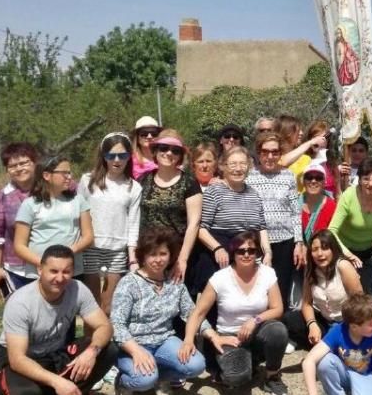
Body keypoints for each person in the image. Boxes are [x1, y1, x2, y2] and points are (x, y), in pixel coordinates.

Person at [0, 245, 116, 395]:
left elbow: (104, 326)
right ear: (40, 270)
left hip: (53, 353)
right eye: (53, 271)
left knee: (108, 349)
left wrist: (91, 352)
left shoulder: (78, 289)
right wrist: (57, 381)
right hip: (17, 358)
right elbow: (17, 359)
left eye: (66, 272)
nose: (60, 278)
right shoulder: (21, 302)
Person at [109, 228, 207, 395]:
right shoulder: (129, 283)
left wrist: (211, 335)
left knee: (197, 365)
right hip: (133, 344)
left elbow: (192, 313)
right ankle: (123, 383)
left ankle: (161, 377)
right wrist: (136, 351)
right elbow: (117, 324)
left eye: (163, 253)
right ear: (143, 256)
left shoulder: (174, 282)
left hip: (164, 341)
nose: (158, 259)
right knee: (143, 379)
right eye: (152, 254)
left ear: (170, 256)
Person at [184, 231, 290, 395]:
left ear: (257, 253)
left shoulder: (267, 274)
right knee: (236, 379)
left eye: (251, 250)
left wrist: (255, 320)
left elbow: (278, 309)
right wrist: (188, 340)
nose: (246, 254)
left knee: (278, 331)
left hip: (258, 331)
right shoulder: (220, 278)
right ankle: (244, 364)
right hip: (230, 336)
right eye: (241, 251)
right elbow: (198, 313)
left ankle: (272, 376)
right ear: (233, 253)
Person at [79, 132, 141, 327]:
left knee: (108, 306)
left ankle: (108, 350)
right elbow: (79, 214)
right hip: (91, 249)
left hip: (117, 252)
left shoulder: (134, 187)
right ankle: (91, 350)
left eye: (122, 156)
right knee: (91, 307)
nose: (116, 160)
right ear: (103, 156)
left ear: (129, 157)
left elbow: (133, 224)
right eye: (111, 155)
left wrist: (132, 258)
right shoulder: (87, 181)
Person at [194, 146, 268, 299]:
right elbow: (202, 229)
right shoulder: (213, 191)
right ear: (223, 167)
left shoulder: (254, 194)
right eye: (233, 164)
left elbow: (261, 227)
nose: (238, 169)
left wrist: (268, 252)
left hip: (246, 257)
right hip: (219, 258)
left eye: (242, 164)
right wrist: (218, 248)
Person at [247, 132, 305, 312]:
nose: (270, 156)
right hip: (256, 244)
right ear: (258, 153)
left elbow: (296, 211)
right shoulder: (249, 177)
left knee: (281, 290)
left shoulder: (288, 176)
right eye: (265, 152)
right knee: (257, 291)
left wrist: (298, 242)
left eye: (275, 152)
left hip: (284, 243)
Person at [13, 155, 94, 279]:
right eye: (64, 173)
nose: (69, 177)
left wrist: (68, 253)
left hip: (71, 273)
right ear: (46, 176)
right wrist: (43, 264)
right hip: (38, 275)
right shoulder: (30, 204)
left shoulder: (78, 200)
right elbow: (19, 245)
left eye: (69, 172)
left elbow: (88, 237)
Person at [139, 130, 202, 286]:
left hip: (176, 257)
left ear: (180, 155)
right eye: (164, 148)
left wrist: (182, 259)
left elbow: (194, 223)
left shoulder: (189, 183)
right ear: (155, 151)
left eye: (175, 150)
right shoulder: (142, 180)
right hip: (148, 256)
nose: (169, 153)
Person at [284, 230, 364, 348]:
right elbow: (307, 303)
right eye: (315, 249)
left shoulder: (343, 266)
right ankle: (323, 342)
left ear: (333, 250)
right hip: (324, 321)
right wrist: (312, 324)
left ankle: (328, 344)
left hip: (346, 322)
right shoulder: (310, 270)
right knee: (290, 319)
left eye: (325, 248)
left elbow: (360, 303)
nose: (320, 254)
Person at [329, 158, 372, 295]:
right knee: (344, 294)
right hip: (345, 250)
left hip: (370, 253)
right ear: (359, 179)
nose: (371, 184)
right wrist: (347, 254)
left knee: (365, 293)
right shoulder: (348, 196)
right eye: (366, 179)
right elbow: (332, 231)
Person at [0, 142, 39, 295]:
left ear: (34, 163)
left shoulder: (52, 189)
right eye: (12, 166)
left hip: (54, 268)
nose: (19, 168)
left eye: (24, 163)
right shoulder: (2, 198)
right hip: (18, 271)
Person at [275, 115, 328, 192]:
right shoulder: (272, 156)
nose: (301, 133)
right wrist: (311, 142)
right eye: (297, 130)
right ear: (287, 132)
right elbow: (283, 162)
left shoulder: (305, 159)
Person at [301, 164, 337, 241]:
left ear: (324, 182)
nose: (313, 181)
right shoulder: (294, 204)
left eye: (318, 178)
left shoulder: (332, 207)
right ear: (303, 181)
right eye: (309, 177)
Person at [131, 116, 161, 180]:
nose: (149, 136)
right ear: (137, 137)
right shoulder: (129, 161)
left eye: (154, 133)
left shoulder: (165, 158)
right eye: (144, 133)